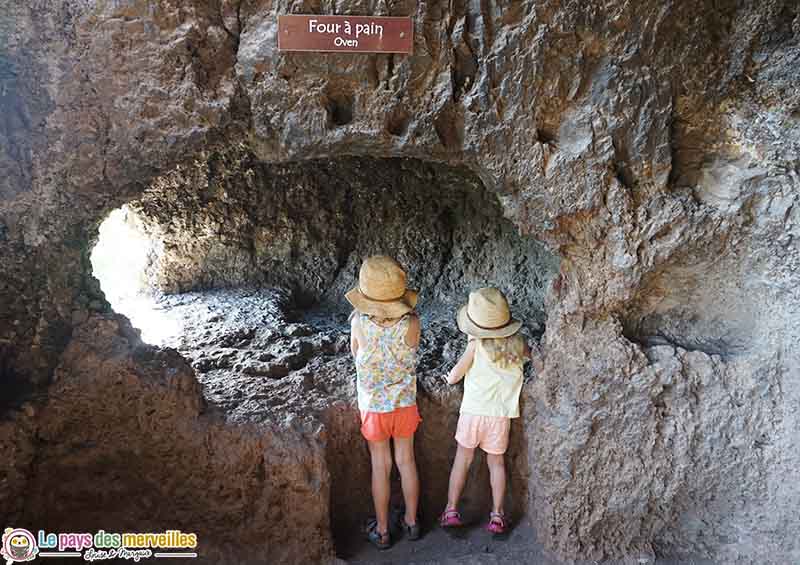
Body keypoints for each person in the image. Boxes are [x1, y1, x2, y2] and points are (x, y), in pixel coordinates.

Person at [440, 287, 533, 536]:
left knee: (463, 460)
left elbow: (455, 375)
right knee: (496, 464)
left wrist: (449, 377)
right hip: (499, 416)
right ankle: (497, 515)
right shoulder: (517, 345)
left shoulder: (475, 344)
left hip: (472, 412)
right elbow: (530, 357)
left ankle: (451, 509)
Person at [346, 255, 422, 549]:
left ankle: (382, 530)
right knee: (407, 461)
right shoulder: (412, 322)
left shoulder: (359, 324)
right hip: (404, 403)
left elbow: (356, 356)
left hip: (374, 407)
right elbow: (412, 352)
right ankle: (412, 522)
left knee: (381, 465)